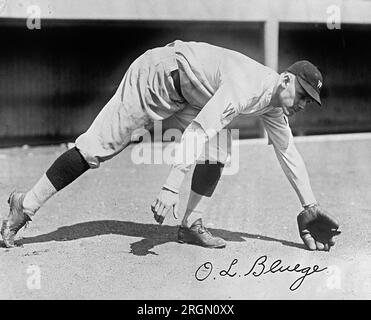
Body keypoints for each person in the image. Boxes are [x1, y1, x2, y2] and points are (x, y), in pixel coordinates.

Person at [1, 40, 340, 250]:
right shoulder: (246, 87)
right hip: (158, 76)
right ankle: (25, 206)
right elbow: (196, 131)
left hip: (191, 94)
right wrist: (170, 186)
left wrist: (308, 206)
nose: (302, 104)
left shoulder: (274, 104)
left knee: (219, 150)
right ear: (285, 80)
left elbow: (288, 153)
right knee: (94, 148)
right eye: (302, 95)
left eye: (309, 101)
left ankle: (191, 225)